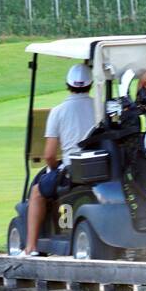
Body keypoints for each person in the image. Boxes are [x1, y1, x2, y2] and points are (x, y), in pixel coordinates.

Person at [20, 63, 95, 256]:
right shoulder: (99, 106)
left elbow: (50, 155)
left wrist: (53, 168)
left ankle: (31, 247)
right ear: (90, 84)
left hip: (73, 170)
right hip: (100, 167)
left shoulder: (58, 111)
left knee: (37, 191)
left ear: (68, 84)